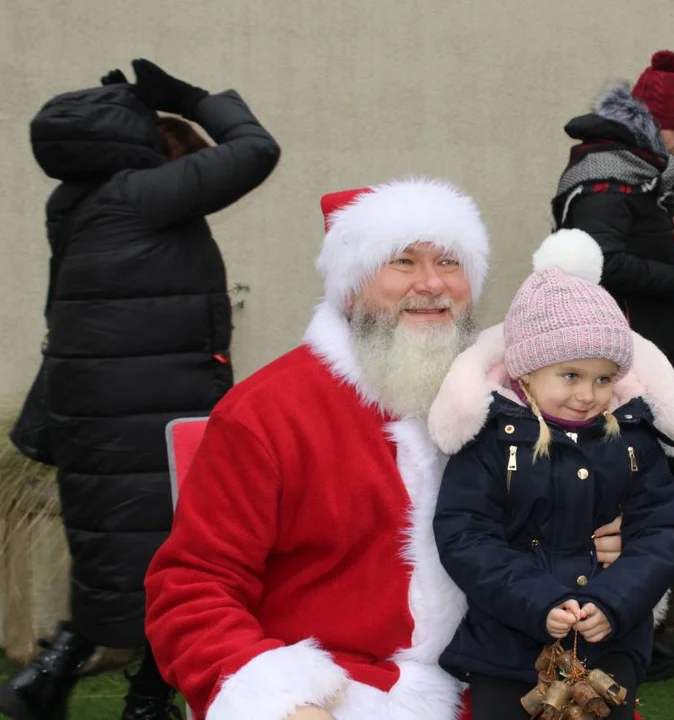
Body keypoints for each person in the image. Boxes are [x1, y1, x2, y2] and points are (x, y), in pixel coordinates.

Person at [141, 180, 624, 720]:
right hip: (347, 690)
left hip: (502, 672)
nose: (432, 283)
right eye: (402, 261)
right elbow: (192, 589)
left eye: (449, 261)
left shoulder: (515, 398)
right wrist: (281, 701)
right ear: (350, 287)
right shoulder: (266, 412)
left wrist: (595, 545)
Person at [0, 59, 279, 720]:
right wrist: (189, 98)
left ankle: (54, 679)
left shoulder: (72, 204)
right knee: (179, 559)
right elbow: (256, 148)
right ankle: (145, 702)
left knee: (114, 562)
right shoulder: (140, 195)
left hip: (94, 417)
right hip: (156, 414)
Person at [429, 230, 674, 720]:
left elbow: (664, 531)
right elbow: (465, 535)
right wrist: (538, 601)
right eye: (570, 375)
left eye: (603, 378)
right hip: (509, 648)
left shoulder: (632, 438)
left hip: (609, 649)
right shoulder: (492, 441)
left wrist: (614, 603)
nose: (587, 393)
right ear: (527, 371)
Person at [552, 48, 674, 678]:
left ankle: (636, 627)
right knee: (629, 501)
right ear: (650, 125)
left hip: (636, 366)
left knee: (651, 496)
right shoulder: (609, 176)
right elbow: (597, 262)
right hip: (615, 377)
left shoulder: (634, 175)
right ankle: (614, 634)